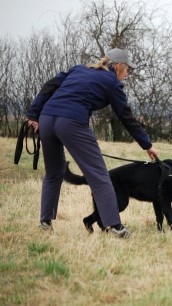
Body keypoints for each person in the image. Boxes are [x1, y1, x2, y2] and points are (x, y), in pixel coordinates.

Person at [26, 48, 158, 238]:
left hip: (46, 119)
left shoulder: (78, 69)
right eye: (127, 69)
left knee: (53, 173)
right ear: (118, 66)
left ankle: (45, 222)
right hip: (71, 122)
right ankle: (115, 226)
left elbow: (50, 85)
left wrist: (33, 114)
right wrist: (147, 144)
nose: (127, 74)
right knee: (98, 174)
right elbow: (126, 116)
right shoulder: (112, 82)